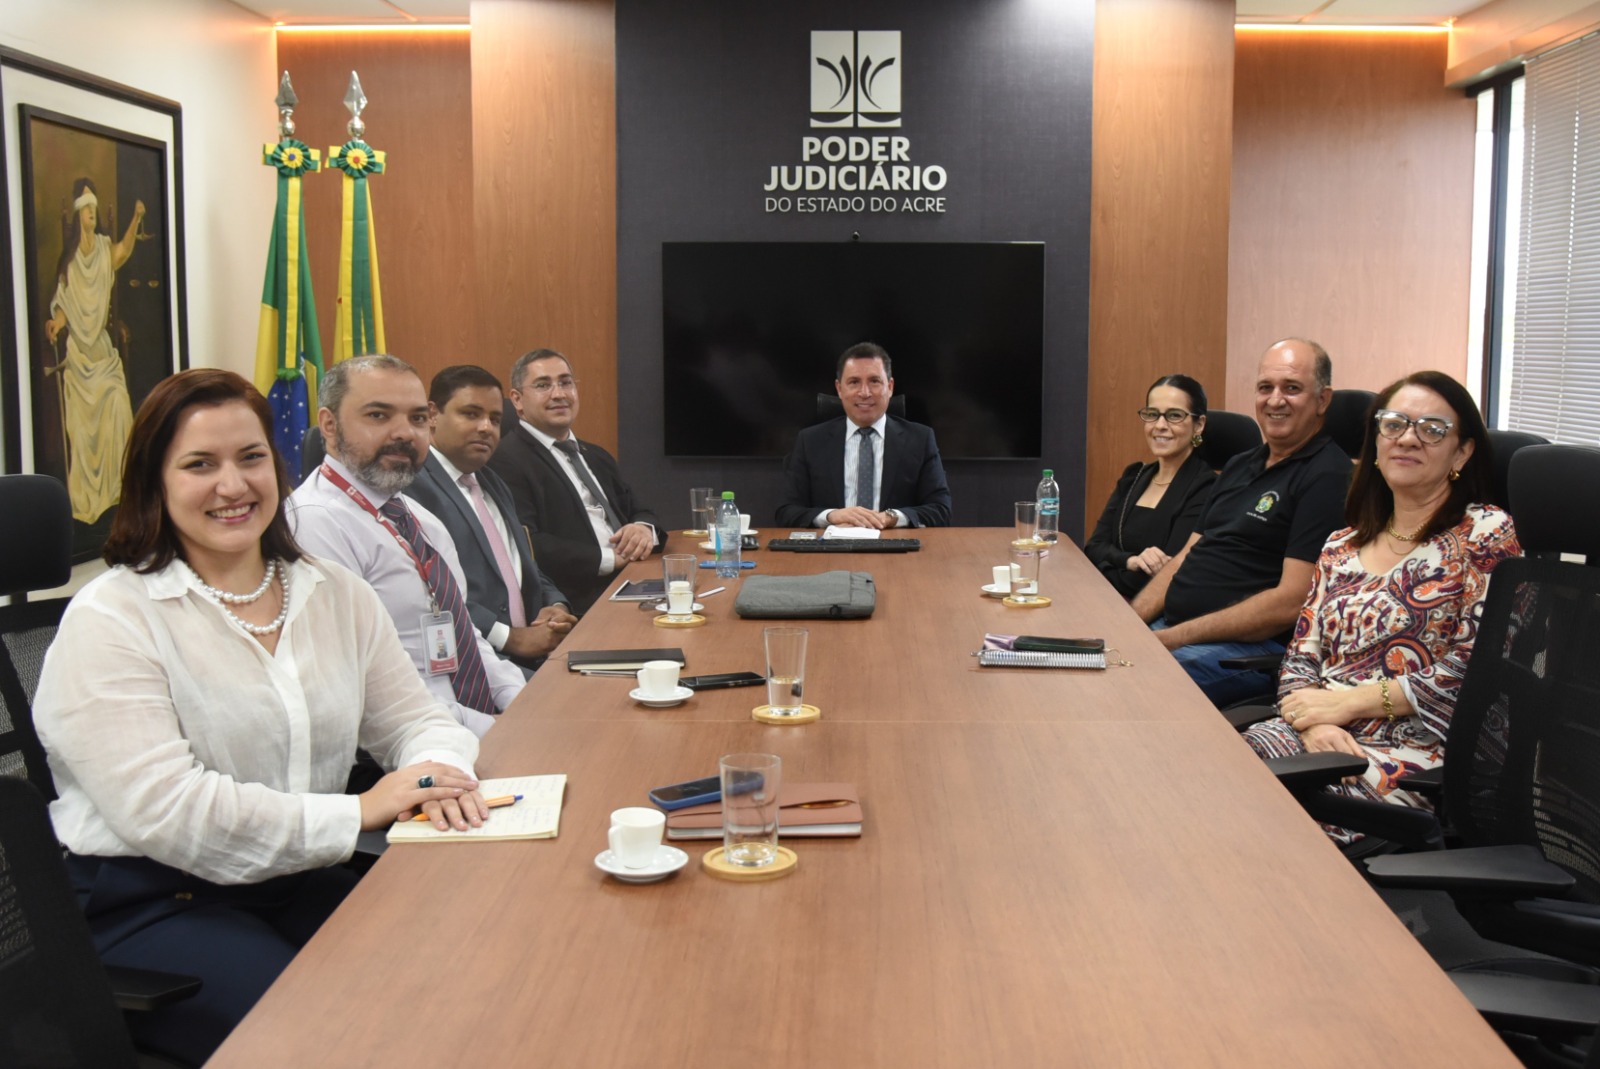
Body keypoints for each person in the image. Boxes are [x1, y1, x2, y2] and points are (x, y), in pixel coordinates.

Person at [33, 368, 488, 1066]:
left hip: (293, 876)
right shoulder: (111, 618)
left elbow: (413, 719)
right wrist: (360, 810)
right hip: (154, 901)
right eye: (199, 464)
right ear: (154, 482)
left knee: (461, 972)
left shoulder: (334, 592)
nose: (233, 485)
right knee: (341, 1037)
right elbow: (170, 812)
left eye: (250, 458)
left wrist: (439, 774)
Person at [1241, 371, 1521, 842]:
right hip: (1316, 734)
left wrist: (1347, 703)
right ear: (1375, 442)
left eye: (1432, 429)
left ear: (1462, 452)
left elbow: (1481, 669)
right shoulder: (1341, 544)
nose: (1408, 438)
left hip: (1417, 754)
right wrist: (1312, 725)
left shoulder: (1486, 533)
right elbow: (1301, 655)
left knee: (1261, 820)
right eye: (1394, 424)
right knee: (1209, 777)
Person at [288, 354, 526, 734]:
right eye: (378, 415)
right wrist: (497, 731)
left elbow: (464, 633)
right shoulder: (314, 523)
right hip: (410, 743)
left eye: (416, 418)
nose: (404, 433)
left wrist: (522, 703)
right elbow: (366, 690)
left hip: (468, 722)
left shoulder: (417, 517)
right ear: (329, 426)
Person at [1131, 338, 1351, 706]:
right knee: (1085, 662)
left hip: (1247, 652)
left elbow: (1290, 601)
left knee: (1127, 687)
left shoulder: (1328, 476)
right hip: (1176, 633)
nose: (1275, 400)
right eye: (1265, 387)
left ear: (1323, 399)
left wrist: (1171, 639)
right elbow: (1186, 556)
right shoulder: (1238, 465)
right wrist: (1130, 624)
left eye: (1291, 388)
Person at [406, 364, 577, 673]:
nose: (486, 427)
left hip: (533, 657)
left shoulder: (491, 482)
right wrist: (509, 637)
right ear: (432, 414)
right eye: (471, 414)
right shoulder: (413, 489)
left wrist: (554, 606)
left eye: (495, 419)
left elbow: (521, 566)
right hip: (474, 662)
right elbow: (426, 592)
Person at [487, 348, 665, 613]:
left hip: (636, 578)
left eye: (566, 382)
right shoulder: (505, 460)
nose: (559, 394)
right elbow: (527, 543)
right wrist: (609, 558)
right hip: (582, 600)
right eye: (543, 385)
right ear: (517, 399)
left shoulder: (595, 455)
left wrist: (642, 529)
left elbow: (639, 509)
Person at [43, 176, 143, 525]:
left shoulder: (103, 249)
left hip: (101, 349)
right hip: (79, 354)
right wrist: (56, 322)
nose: (91, 214)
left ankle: (119, 490)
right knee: (83, 424)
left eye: (94, 209)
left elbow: (124, 250)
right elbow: (64, 301)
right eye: (86, 209)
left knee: (117, 400)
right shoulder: (70, 260)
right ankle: (91, 498)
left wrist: (135, 219)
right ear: (78, 213)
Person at [774, 341, 952, 529]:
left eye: (874, 381)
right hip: (832, 544)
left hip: (895, 543)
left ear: (890, 387)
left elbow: (941, 510)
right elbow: (786, 511)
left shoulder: (920, 439)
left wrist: (891, 517)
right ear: (839, 389)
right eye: (854, 382)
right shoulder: (810, 441)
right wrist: (832, 516)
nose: (865, 393)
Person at [1084, 374, 1217, 599]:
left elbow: (1164, 577)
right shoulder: (1133, 476)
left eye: (1174, 416)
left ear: (1199, 425)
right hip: (1108, 598)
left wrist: (1103, 571)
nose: (1160, 425)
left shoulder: (1206, 487)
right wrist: (1130, 561)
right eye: (1152, 414)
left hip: (1149, 610)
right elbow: (1094, 547)